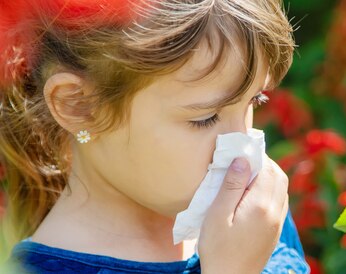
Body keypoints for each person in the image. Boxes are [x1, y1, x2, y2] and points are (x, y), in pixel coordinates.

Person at [0, 0, 310, 273]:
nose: (240, 146)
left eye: (255, 101)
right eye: (205, 119)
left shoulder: (252, 218)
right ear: (79, 106)